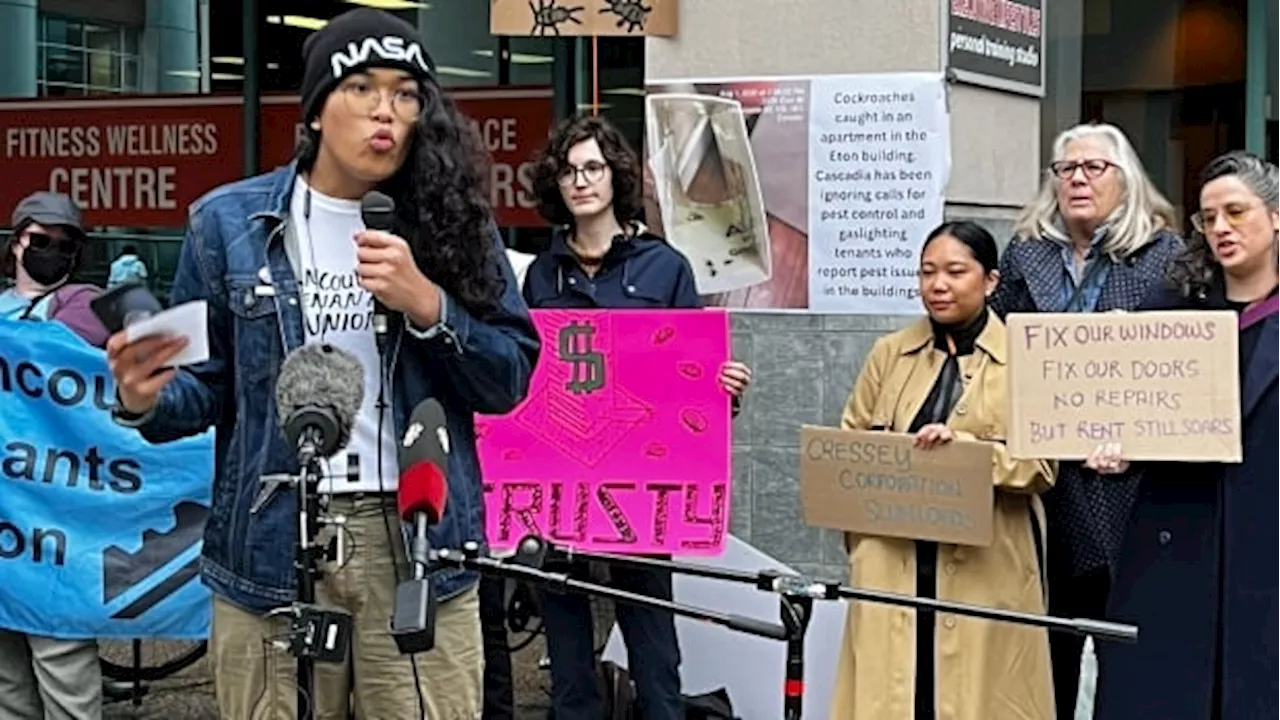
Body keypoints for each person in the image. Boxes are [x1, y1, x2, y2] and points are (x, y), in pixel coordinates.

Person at [103, 9, 540, 719]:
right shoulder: (226, 224)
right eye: (362, 87)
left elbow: (510, 376)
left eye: (405, 93)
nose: (386, 111)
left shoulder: (451, 220)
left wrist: (430, 305)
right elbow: (202, 393)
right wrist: (144, 395)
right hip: (274, 544)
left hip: (418, 540)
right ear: (313, 112)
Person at [522, 113, 752, 720]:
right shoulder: (541, 277)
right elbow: (520, 376)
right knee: (566, 655)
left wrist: (722, 387)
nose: (581, 182)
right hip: (560, 481)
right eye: (568, 171)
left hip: (642, 486)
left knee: (654, 649)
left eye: (593, 167)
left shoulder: (664, 267)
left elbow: (697, 381)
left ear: (615, 176)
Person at [988, 122, 1181, 716]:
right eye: (1066, 169)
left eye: (1093, 168)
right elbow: (996, 350)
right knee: (1050, 649)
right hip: (1049, 484)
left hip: (1132, 487)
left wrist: (1139, 441)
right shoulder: (1026, 255)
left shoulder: (1164, 257)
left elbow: (1184, 375)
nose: (1077, 179)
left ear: (1125, 180)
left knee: (1132, 650)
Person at [829, 221, 1057, 720]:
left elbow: (1042, 464)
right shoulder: (889, 352)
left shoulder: (1024, 356)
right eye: (928, 272)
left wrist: (968, 454)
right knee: (892, 694)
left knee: (979, 696)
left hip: (985, 563)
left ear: (991, 281)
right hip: (893, 561)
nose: (938, 284)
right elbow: (849, 444)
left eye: (956, 271)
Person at [1092, 151, 1280, 719]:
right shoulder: (1169, 312)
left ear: (1276, 217)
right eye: (1207, 217)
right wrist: (1119, 452)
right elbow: (1131, 420)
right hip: (1178, 539)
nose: (1221, 227)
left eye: (1236, 212)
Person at [0, 191, 108, 719]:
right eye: (41, 241)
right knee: (6, 687)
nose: (52, 253)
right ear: (16, 244)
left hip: (55, 529)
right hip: (4, 525)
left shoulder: (87, 305)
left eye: (65, 246)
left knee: (64, 668)